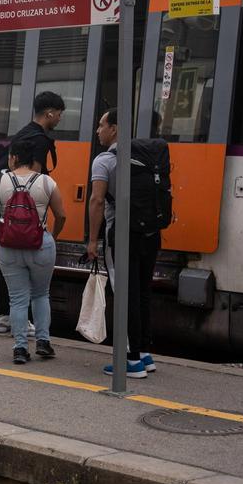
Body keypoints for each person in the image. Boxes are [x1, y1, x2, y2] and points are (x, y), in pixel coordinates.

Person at [86, 108, 160, 379]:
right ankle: (144, 354)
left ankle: (130, 360)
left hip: (121, 234)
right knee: (142, 292)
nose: (98, 131)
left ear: (114, 128)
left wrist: (92, 240)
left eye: (101, 125)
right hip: (150, 233)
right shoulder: (148, 155)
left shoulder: (104, 160)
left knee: (124, 293)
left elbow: (97, 201)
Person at [0, 138, 66, 364]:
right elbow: (61, 215)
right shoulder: (47, 182)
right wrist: (52, 236)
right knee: (41, 294)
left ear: (14, 158)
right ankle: (43, 342)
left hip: (9, 247)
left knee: (17, 299)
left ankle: (20, 348)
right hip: (40, 245)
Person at [0, 91, 65, 334]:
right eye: (59, 114)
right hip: (26, 211)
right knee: (29, 277)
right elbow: (32, 178)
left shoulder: (23, 133)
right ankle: (21, 326)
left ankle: (2, 316)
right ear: (49, 113)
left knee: (9, 264)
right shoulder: (40, 140)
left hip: (10, 207)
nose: (59, 119)